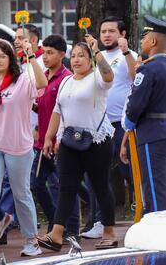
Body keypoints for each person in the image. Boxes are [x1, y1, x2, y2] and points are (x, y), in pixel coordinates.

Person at [40, 40, 116, 250]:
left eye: (82, 55)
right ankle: (56, 234)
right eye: (73, 55)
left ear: (90, 59)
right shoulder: (66, 82)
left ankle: (109, 232)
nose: (76, 59)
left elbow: (109, 75)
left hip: (97, 141)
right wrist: (49, 137)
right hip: (69, 141)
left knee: (100, 187)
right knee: (66, 187)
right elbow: (57, 110)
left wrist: (97, 51)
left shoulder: (97, 78)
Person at [0, 39, 48, 257]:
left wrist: (30, 56)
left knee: (21, 194)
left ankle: (31, 241)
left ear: (10, 58)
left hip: (19, 146)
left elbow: (42, 83)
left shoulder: (22, 80)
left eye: (2, 56)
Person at [83, 16, 137, 238]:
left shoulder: (130, 56)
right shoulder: (97, 56)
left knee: (130, 172)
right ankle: (98, 222)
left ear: (122, 34)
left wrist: (125, 54)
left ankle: (144, 213)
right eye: (103, 31)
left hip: (122, 125)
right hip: (99, 124)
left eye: (111, 31)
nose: (106, 35)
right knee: (97, 174)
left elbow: (137, 79)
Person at [30, 35, 81, 240]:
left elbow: (64, 111)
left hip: (60, 142)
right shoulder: (43, 76)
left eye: (50, 53)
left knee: (66, 186)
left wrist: (58, 138)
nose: (45, 57)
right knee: (36, 183)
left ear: (62, 54)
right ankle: (55, 222)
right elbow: (44, 107)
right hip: (42, 141)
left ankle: (72, 229)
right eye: (43, 52)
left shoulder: (67, 78)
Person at [123, 16, 166, 214]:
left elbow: (135, 106)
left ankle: (158, 233)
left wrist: (129, 123)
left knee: (154, 185)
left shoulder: (147, 69)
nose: (141, 41)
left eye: (145, 37)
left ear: (154, 42)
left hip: (151, 133)